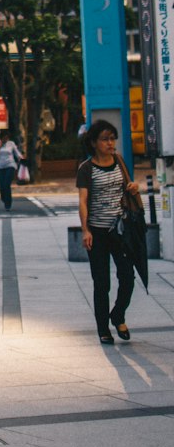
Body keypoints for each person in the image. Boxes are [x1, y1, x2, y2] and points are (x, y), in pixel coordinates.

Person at [77, 119, 139, 344]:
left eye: (113, 138)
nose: (111, 143)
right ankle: (103, 328)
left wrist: (133, 186)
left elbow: (127, 186)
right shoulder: (86, 168)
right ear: (94, 142)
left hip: (120, 231)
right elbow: (83, 201)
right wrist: (85, 230)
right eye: (105, 139)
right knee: (101, 282)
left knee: (128, 277)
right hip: (97, 232)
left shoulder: (120, 161)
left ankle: (118, 314)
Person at [0, 129, 24, 211]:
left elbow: (16, 152)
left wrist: (21, 158)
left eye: (7, 138)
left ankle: (8, 204)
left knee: (7, 184)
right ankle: (4, 198)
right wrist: (0, 145)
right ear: (1, 138)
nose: (6, 140)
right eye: (4, 138)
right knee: (2, 186)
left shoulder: (11, 143)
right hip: (0, 167)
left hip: (10, 165)